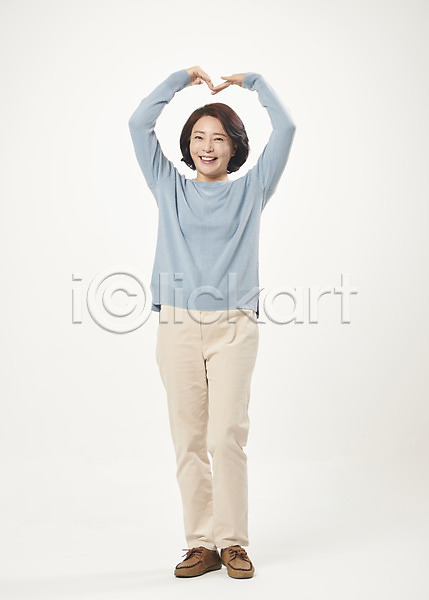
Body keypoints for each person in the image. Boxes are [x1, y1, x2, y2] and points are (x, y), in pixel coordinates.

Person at [128, 65, 296, 579]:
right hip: (177, 325)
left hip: (234, 326)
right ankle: (200, 544)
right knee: (188, 439)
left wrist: (253, 83)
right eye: (199, 137)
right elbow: (138, 123)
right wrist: (180, 80)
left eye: (219, 138)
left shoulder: (253, 189)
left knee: (226, 436)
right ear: (187, 143)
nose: (207, 146)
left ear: (234, 146)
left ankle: (233, 542)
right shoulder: (168, 185)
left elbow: (286, 128)